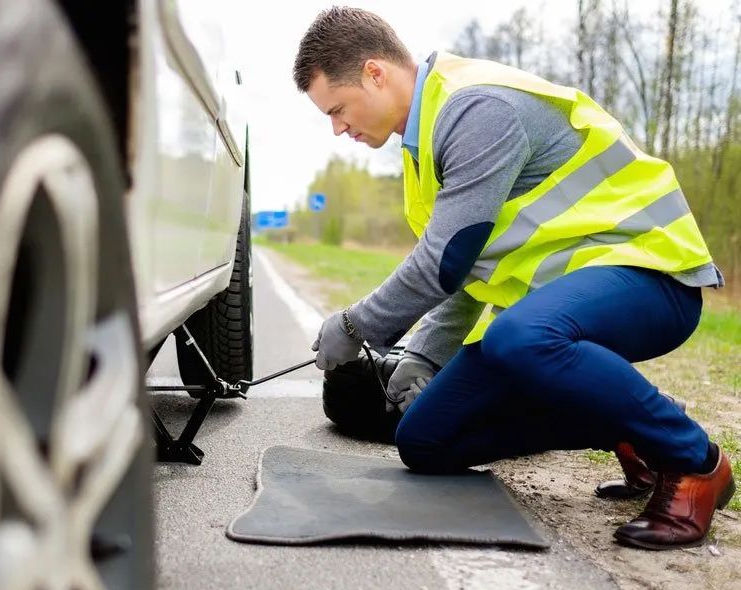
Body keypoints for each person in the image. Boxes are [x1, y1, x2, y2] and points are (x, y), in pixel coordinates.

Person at [294, 7, 734, 550]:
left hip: (652, 276)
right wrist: (424, 356)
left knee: (517, 339)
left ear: (375, 73)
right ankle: (628, 424)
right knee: (425, 440)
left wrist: (357, 325)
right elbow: (470, 268)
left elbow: (444, 260)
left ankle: (694, 461)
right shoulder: (422, 146)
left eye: (337, 109)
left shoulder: (475, 108)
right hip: (562, 309)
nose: (338, 127)